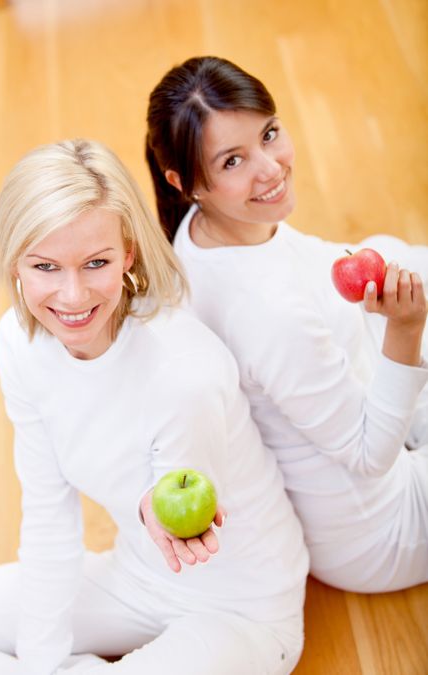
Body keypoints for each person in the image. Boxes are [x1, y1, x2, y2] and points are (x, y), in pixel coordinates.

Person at [0, 139, 309, 674]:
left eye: (95, 263)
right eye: (44, 266)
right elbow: (48, 518)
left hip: (241, 610)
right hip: (136, 578)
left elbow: (184, 519)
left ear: (127, 253)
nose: (71, 297)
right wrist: (40, 661)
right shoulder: (20, 344)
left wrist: (148, 506)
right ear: (15, 260)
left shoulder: (183, 372)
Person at [145, 55, 428, 594]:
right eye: (232, 161)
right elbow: (369, 457)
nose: (270, 168)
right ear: (185, 181)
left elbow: (307, 262)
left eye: (269, 134)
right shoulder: (270, 314)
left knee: (390, 251)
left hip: (357, 421)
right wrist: (406, 331)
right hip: (381, 527)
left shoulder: (205, 229)